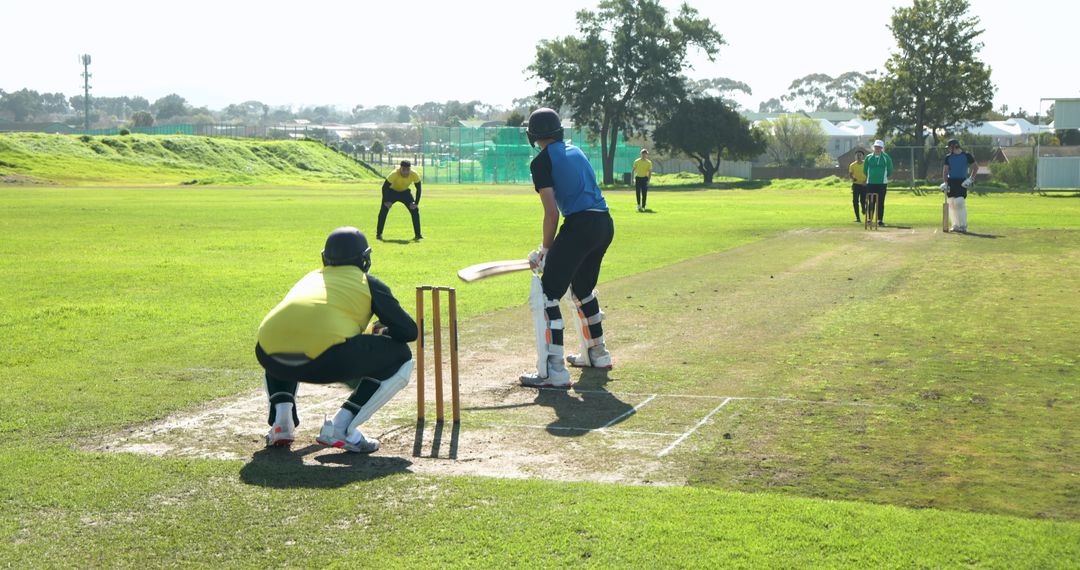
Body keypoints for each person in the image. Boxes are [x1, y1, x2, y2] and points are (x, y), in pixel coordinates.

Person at [255, 226, 417, 453]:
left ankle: (282, 423)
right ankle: (342, 427)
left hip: (267, 351)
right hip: (326, 360)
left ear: (324, 257)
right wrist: (380, 330)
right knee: (401, 356)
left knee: (286, 339)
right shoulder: (367, 282)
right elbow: (409, 332)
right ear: (365, 259)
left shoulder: (310, 277)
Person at [520, 107, 615, 388]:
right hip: (604, 224)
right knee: (583, 290)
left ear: (533, 135)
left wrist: (545, 250)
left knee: (546, 295)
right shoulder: (577, 151)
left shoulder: (541, 162)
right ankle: (597, 354)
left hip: (580, 226)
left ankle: (553, 371)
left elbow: (552, 214)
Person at [376, 160, 423, 240]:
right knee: (383, 210)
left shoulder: (414, 174)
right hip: (392, 192)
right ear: (400, 168)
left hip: (405, 193)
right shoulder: (394, 174)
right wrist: (386, 201)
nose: (405, 172)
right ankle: (379, 234)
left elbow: (418, 188)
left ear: (410, 169)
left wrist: (416, 203)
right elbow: (385, 187)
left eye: (407, 170)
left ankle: (418, 235)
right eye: (403, 170)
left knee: (415, 210)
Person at [942, 139, 978, 233]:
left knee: (959, 202)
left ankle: (963, 225)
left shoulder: (966, 156)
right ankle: (955, 225)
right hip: (951, 181)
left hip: (962, 181)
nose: (949, 150)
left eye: (950, 148)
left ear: (955, 147)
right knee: (952, 203)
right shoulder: (948, 157)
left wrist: (970, 179)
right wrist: (945, 183)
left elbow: (975, 167)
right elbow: (945, 171)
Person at [863, 139, 894, 226]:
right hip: (871, 183)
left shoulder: (886, 157)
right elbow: (865, 169)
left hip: (882, 183)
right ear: (874, 147)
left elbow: (890, 168)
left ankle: (880, 220)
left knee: (880, 202)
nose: (877, 149)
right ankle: (870, 218)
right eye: (876, 147)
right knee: (870, 201)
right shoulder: (868, 157)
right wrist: (870, 176)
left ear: (882, 148)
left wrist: (884, 177)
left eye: (879, 147)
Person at [848, 150, 867, 223]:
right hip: (856, 185)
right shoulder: (852, 165)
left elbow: (869, 173)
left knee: (863, 200)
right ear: (855, 157)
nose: (858, 157)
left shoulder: (866, 164)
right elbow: (850, 174)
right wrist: (853, 178)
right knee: (855, 201)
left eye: (860, 155)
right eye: (857, 155)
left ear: (862, 156)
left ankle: (863, 208)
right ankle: (857, 218)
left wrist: (865, 181)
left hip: (864, 185)